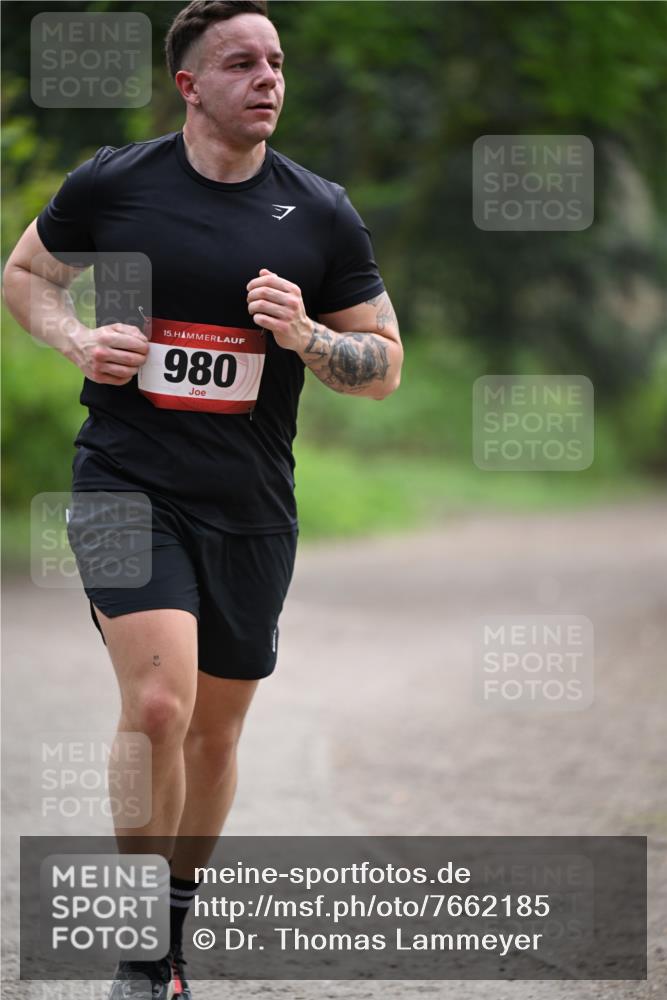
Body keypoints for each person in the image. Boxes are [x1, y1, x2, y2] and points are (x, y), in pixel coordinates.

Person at [2, 1, 402, 996]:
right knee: (156, 703)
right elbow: (24, 275)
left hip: (251, 503)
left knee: (216, 730)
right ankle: (141, 954)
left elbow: (386, 365)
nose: (267, 77)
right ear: (189, 84)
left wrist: (305, 335)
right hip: (125, 479)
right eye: (240, 62)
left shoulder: (319, 212)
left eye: (275, 61)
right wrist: (78, 341)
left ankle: (173, 933)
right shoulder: (114, 183)